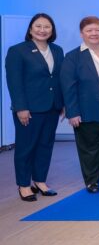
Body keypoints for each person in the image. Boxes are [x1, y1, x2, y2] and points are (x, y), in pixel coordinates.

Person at [60, 16, 99, 193]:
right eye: (89, 30)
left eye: (98, 30)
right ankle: (92, 180)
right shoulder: (73, 56)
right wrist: (72, 112)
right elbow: (68, 87)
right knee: (89, 145)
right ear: (82, 34)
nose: (94, 33)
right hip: (86, 106)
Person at [5, 13, 64, 202]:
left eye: (47, 26)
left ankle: (40, 181)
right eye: (38, 26)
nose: (42, 30)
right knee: (26, 147)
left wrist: (62, 103)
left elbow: (59, 78)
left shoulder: (57, 50)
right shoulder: (18, 51)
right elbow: (14, 82)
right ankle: (24, 185)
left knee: (45, 145)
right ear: (30, 29)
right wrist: (20, 107)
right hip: (29, 109)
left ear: (52, 30)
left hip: (52, 106)